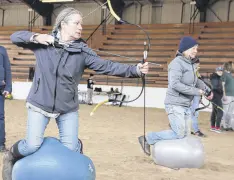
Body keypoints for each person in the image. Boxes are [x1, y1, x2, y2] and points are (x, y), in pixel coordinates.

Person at [2, 7, 149, 180]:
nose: (81, 27)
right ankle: (10, 155)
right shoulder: (43, 44)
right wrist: (37, 37)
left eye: (82, 24)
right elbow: (15, 37)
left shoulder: (83, 51)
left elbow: (107, 65)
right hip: (39, 103)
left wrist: (135, 70)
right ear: (63, 24)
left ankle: (77, 144)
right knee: (31, 146)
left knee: (71, 150)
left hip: (67, 108)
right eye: (77, 23)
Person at [138, 36, 212, 156]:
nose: (195, 51)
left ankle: (176, 157)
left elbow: (196, 80)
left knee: (185, 134)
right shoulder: (176, 63)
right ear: (185, 49)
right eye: (193, 48)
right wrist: (196, 92)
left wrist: (207, 90)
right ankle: (147, 138)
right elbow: (175, 84)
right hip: (175, 104)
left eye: (196, 49)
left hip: (185, 104)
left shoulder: (191, 64)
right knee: (178, 133)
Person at [0, 46, 12, 153]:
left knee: (0, 117)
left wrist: (8, 87)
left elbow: (7, 69)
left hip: (0, 88)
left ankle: (0, 144)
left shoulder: (2, 50)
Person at [190, 57, 205, 137]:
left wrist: (200, 98)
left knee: (193, 113)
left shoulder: (196, 72)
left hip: (196, 95)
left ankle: (193, 129)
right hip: (193, 94)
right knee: (194, 113)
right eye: (197, 63)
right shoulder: (192, 72)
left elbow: (200, 83)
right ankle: (196, 130)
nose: (198, 65)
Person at [210, 66, 224, 133]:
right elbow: (215, 87)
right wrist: (221, 91)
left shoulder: (217, 77)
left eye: (221, 71)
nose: (220, 72)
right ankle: (217, 127)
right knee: (220, 111)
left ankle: (213, 127)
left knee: (214, 111)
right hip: (216, 96)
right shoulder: (215, 77)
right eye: (219, 71)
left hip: (216, 96)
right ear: (216, 71)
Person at [221, 62, 234, 131]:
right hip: (227, 96)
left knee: (230, 112)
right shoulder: (224, 74)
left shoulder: (230, 74)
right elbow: (222, 85)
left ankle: (228, 125)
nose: (233, 66)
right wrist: (224, 95)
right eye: (232, 65)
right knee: (225, 111)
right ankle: (223, 125)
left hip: (232, 95)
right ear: (228, 66)